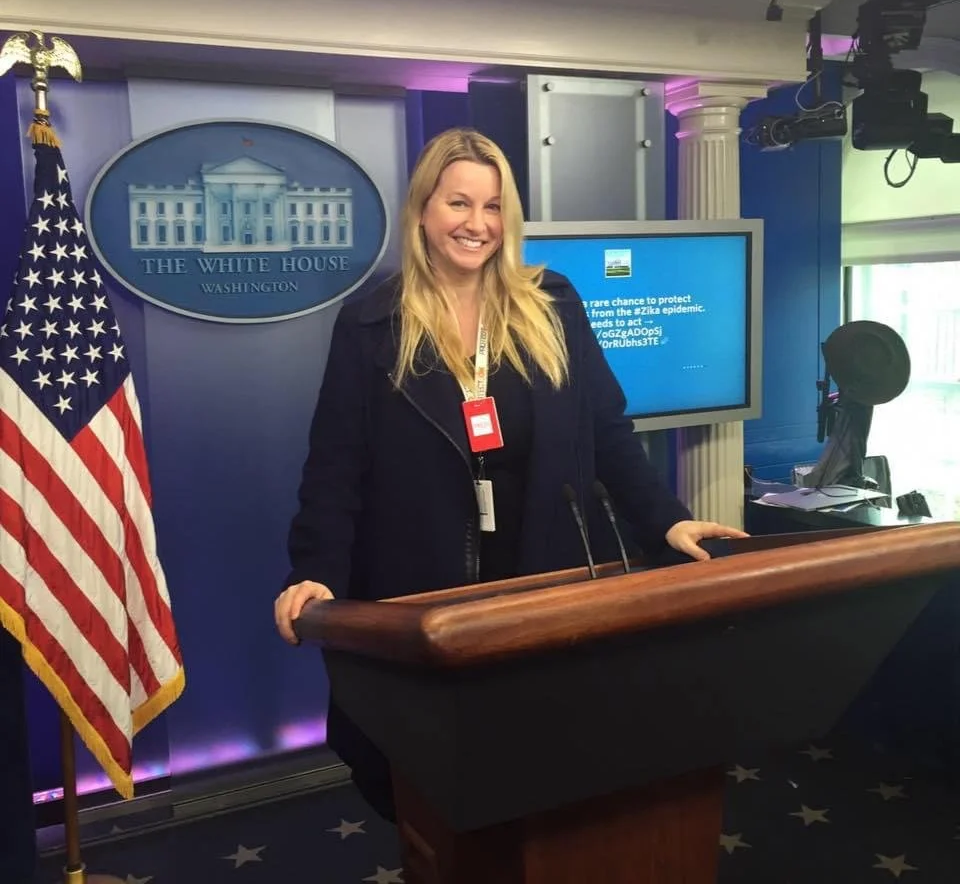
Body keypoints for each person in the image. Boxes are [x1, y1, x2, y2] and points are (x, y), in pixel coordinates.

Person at [274, 127, 747, 821]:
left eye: (493, 207)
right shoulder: (371, 325)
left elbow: (606, 429)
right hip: (422, 586)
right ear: (423, 211)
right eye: (459, 203)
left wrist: (667, 519)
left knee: (542, 772)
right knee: (434, 787)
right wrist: (314, 571)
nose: (478, 224)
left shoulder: (552, 304)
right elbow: (336, 466)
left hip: (539, 573)